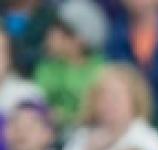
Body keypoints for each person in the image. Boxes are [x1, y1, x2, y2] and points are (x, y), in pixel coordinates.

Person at [33, 0, 106, 131]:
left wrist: (67, 118)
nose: (51, 35)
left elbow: (97, 113)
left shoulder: (101, 70)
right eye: (53, 29)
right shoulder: (45, 68)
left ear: (81, 40)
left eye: (62, 31)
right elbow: (37, 105)